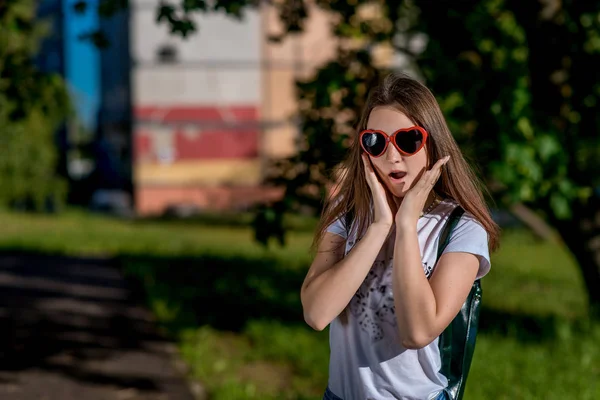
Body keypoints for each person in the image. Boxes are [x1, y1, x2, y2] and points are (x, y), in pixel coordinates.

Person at [300, 72, 500, 400]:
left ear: (432, 143)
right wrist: (379, 226)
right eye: (376, 141)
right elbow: (317, 313)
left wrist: (406, 225)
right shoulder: (348, 212)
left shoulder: (461, 228)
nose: (392, 156)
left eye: (408, 140)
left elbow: (418, 332)